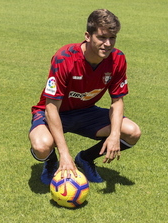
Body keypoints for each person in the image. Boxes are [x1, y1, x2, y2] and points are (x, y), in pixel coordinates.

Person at [29, 9, 141, 184]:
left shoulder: (117, 58)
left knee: (132, 132)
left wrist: (114, 135)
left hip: (87, 112)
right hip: (54, 113)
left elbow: (117, 101)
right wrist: (64, 154)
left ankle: (86, 158)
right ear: (88, 36)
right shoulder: (64, 58)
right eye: (102, 37)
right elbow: (51, 108)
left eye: (112, 38)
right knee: (41, 145)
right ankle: (51, 163)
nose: (108, 44)